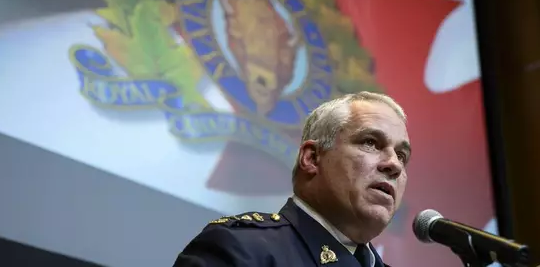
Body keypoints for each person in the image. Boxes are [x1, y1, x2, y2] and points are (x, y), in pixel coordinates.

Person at [173, 91, 411, 266]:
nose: (394, 165)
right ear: (312, 158)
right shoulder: (241, 249)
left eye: (402, 156)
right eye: (370, 143)